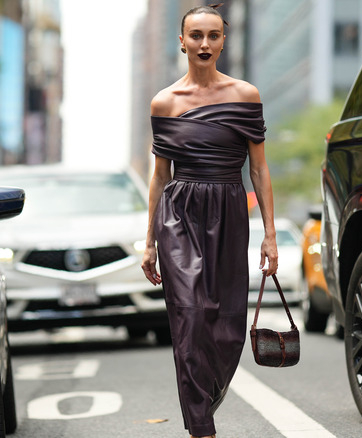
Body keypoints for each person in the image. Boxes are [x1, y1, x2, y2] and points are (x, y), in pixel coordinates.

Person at [140, 4, 278, 438]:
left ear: (224, 40)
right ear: (181, 41)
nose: (204, 43)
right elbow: (160, 175)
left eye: (212, 35)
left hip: (230, 209)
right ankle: (201, 425)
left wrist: (270, 236)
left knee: (227, 324)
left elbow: (259, 169)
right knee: (191, 314)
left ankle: (206, 398)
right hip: (179, 212)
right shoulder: (164, 102)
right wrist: (148, 241)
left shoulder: (246, 95)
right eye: (195, 35)